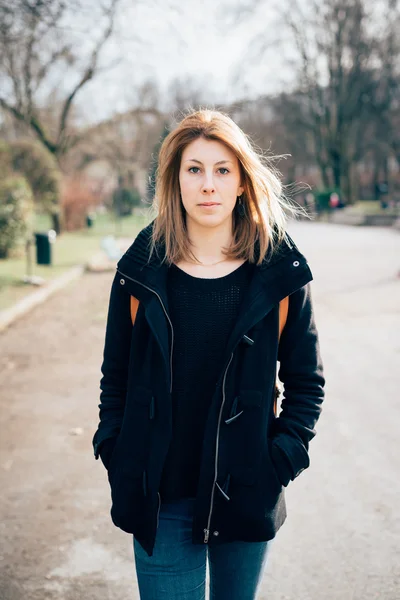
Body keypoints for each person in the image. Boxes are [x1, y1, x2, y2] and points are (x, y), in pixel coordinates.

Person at [92, 109, 325, 599]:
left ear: (242, 182)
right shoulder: (140, 272)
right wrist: (117, 450)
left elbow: (308, 384)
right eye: (193, 169)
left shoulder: (276, 273)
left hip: (245, 488)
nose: (208, 185)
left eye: (222, 170)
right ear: (174, 181)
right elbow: (115, 376)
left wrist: (279, 461)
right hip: (159, 494)